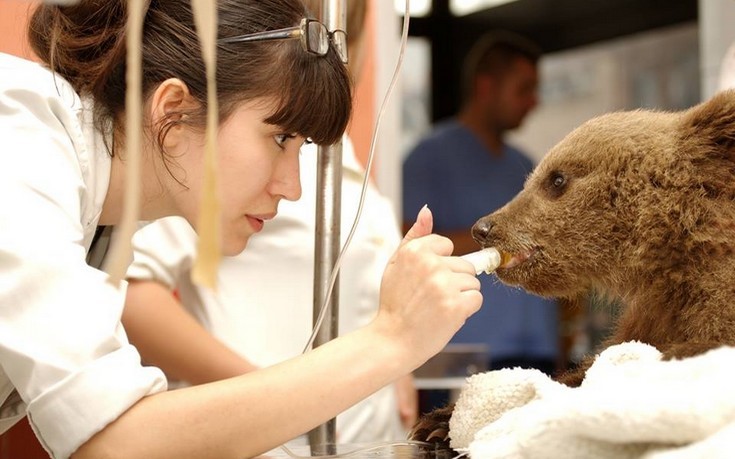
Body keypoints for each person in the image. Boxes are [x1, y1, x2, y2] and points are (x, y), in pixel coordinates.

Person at [0, 1, 482, 458]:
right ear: (174, 109)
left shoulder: (99, 201)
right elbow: (115, 440)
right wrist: (392, 339)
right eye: (280, 138)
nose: (292, 187)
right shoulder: (20, 142)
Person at [121, 0, 417, 445]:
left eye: (346, 37)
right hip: (267, 438)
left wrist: (392, 366)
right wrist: (278, 394)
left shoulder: (338, 160)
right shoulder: (210, 150)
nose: (292, 188)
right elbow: (134, 293)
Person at [402, 31, 559, 384]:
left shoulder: (527, 165)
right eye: (524, 88)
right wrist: (495, 244)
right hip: (464, 359)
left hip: (538, 353)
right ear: (486, 86)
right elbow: (408, 251)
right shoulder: (428, 159)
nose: (534, 101)